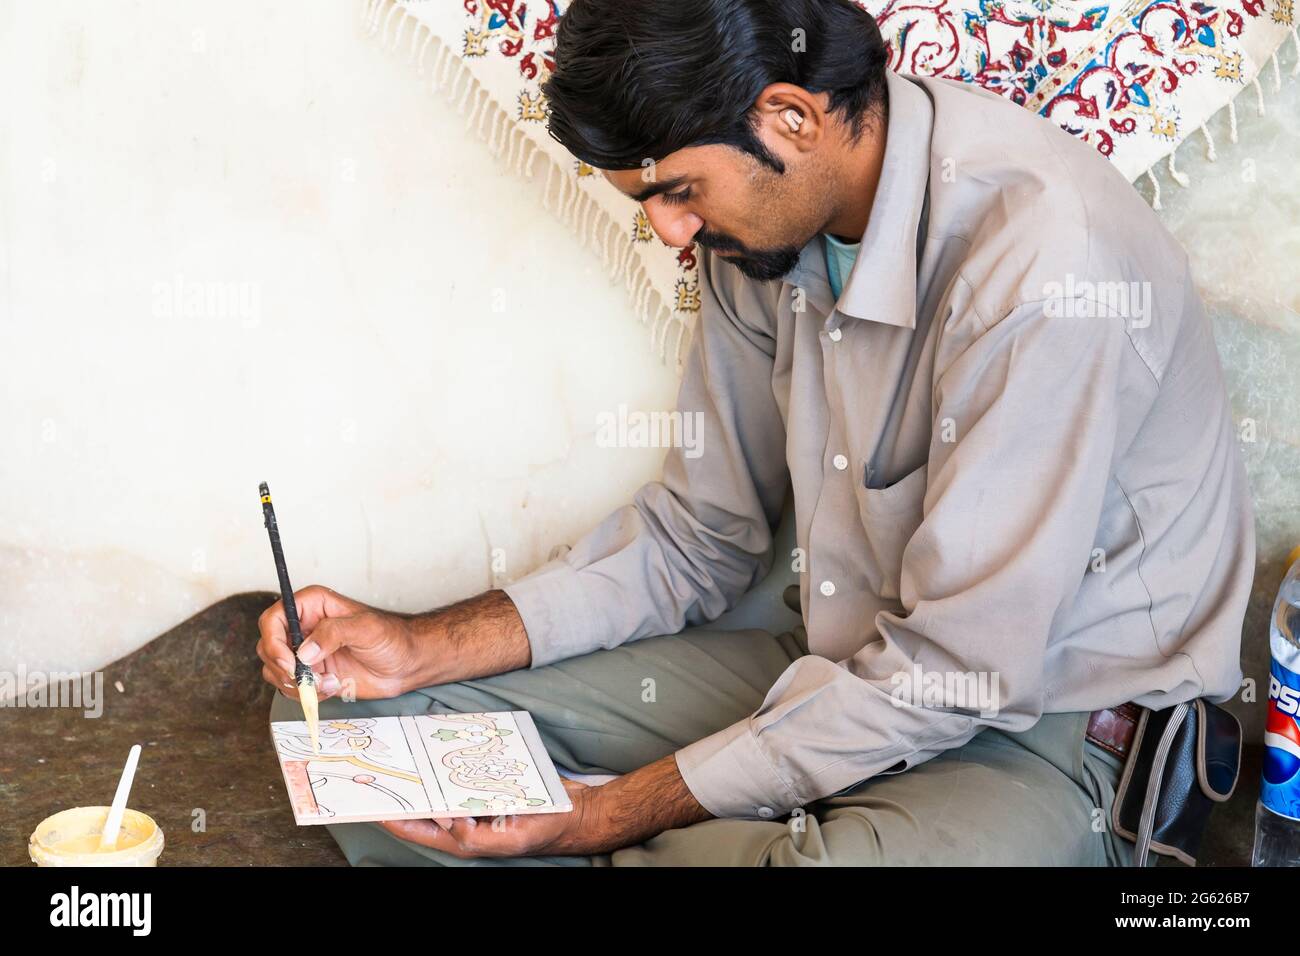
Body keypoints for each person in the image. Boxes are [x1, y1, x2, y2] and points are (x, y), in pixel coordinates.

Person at [258, 0, 1254, 866]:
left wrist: (607, 808)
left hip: (1042, 730)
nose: (667, 234)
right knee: (358, 735)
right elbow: (697, 537)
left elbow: (959, 673)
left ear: (789, 116)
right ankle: (688, 840)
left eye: (676, 191)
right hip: (830, 669)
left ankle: (631, 840)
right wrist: (415, 646)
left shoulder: (1041, 262)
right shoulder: (762, 241)